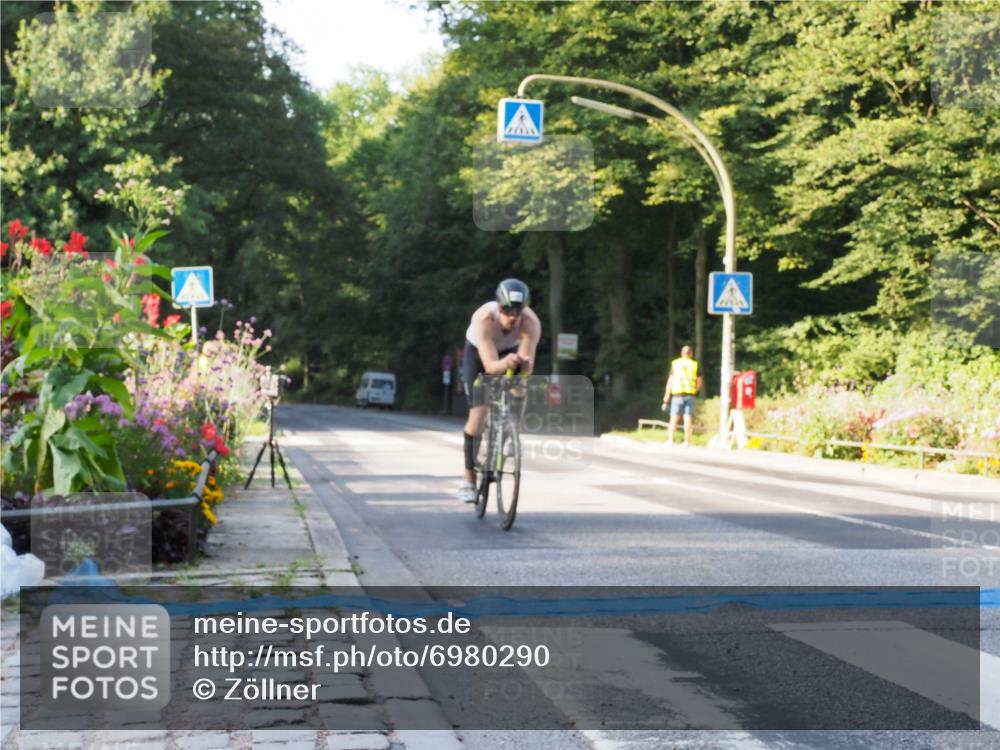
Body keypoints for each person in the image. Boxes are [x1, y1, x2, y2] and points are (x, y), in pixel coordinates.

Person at [459, 279, 541, 502]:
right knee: (478, 415)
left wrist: (522, 368)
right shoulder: (484, 319)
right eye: (506, 310)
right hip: (479, 355)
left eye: (518, 311)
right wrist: (506, 365)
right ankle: (468, 478)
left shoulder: (531, 323)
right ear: (498, 306)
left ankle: (511, 435)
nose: (512, 316)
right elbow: (490, 367)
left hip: (510, 352)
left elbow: (527, 365)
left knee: (519, 385)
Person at [661, 344, 702, 447]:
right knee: (687, 418)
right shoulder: (695, 365)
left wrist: (667, 395)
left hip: (677, 394)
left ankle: (671, 440)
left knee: (674, 418)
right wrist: (695, 390)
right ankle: (687, 441)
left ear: (682, 353)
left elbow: (670, 381)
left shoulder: (676, 363)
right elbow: (699, 381)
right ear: (691, 353)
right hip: (690, 394)